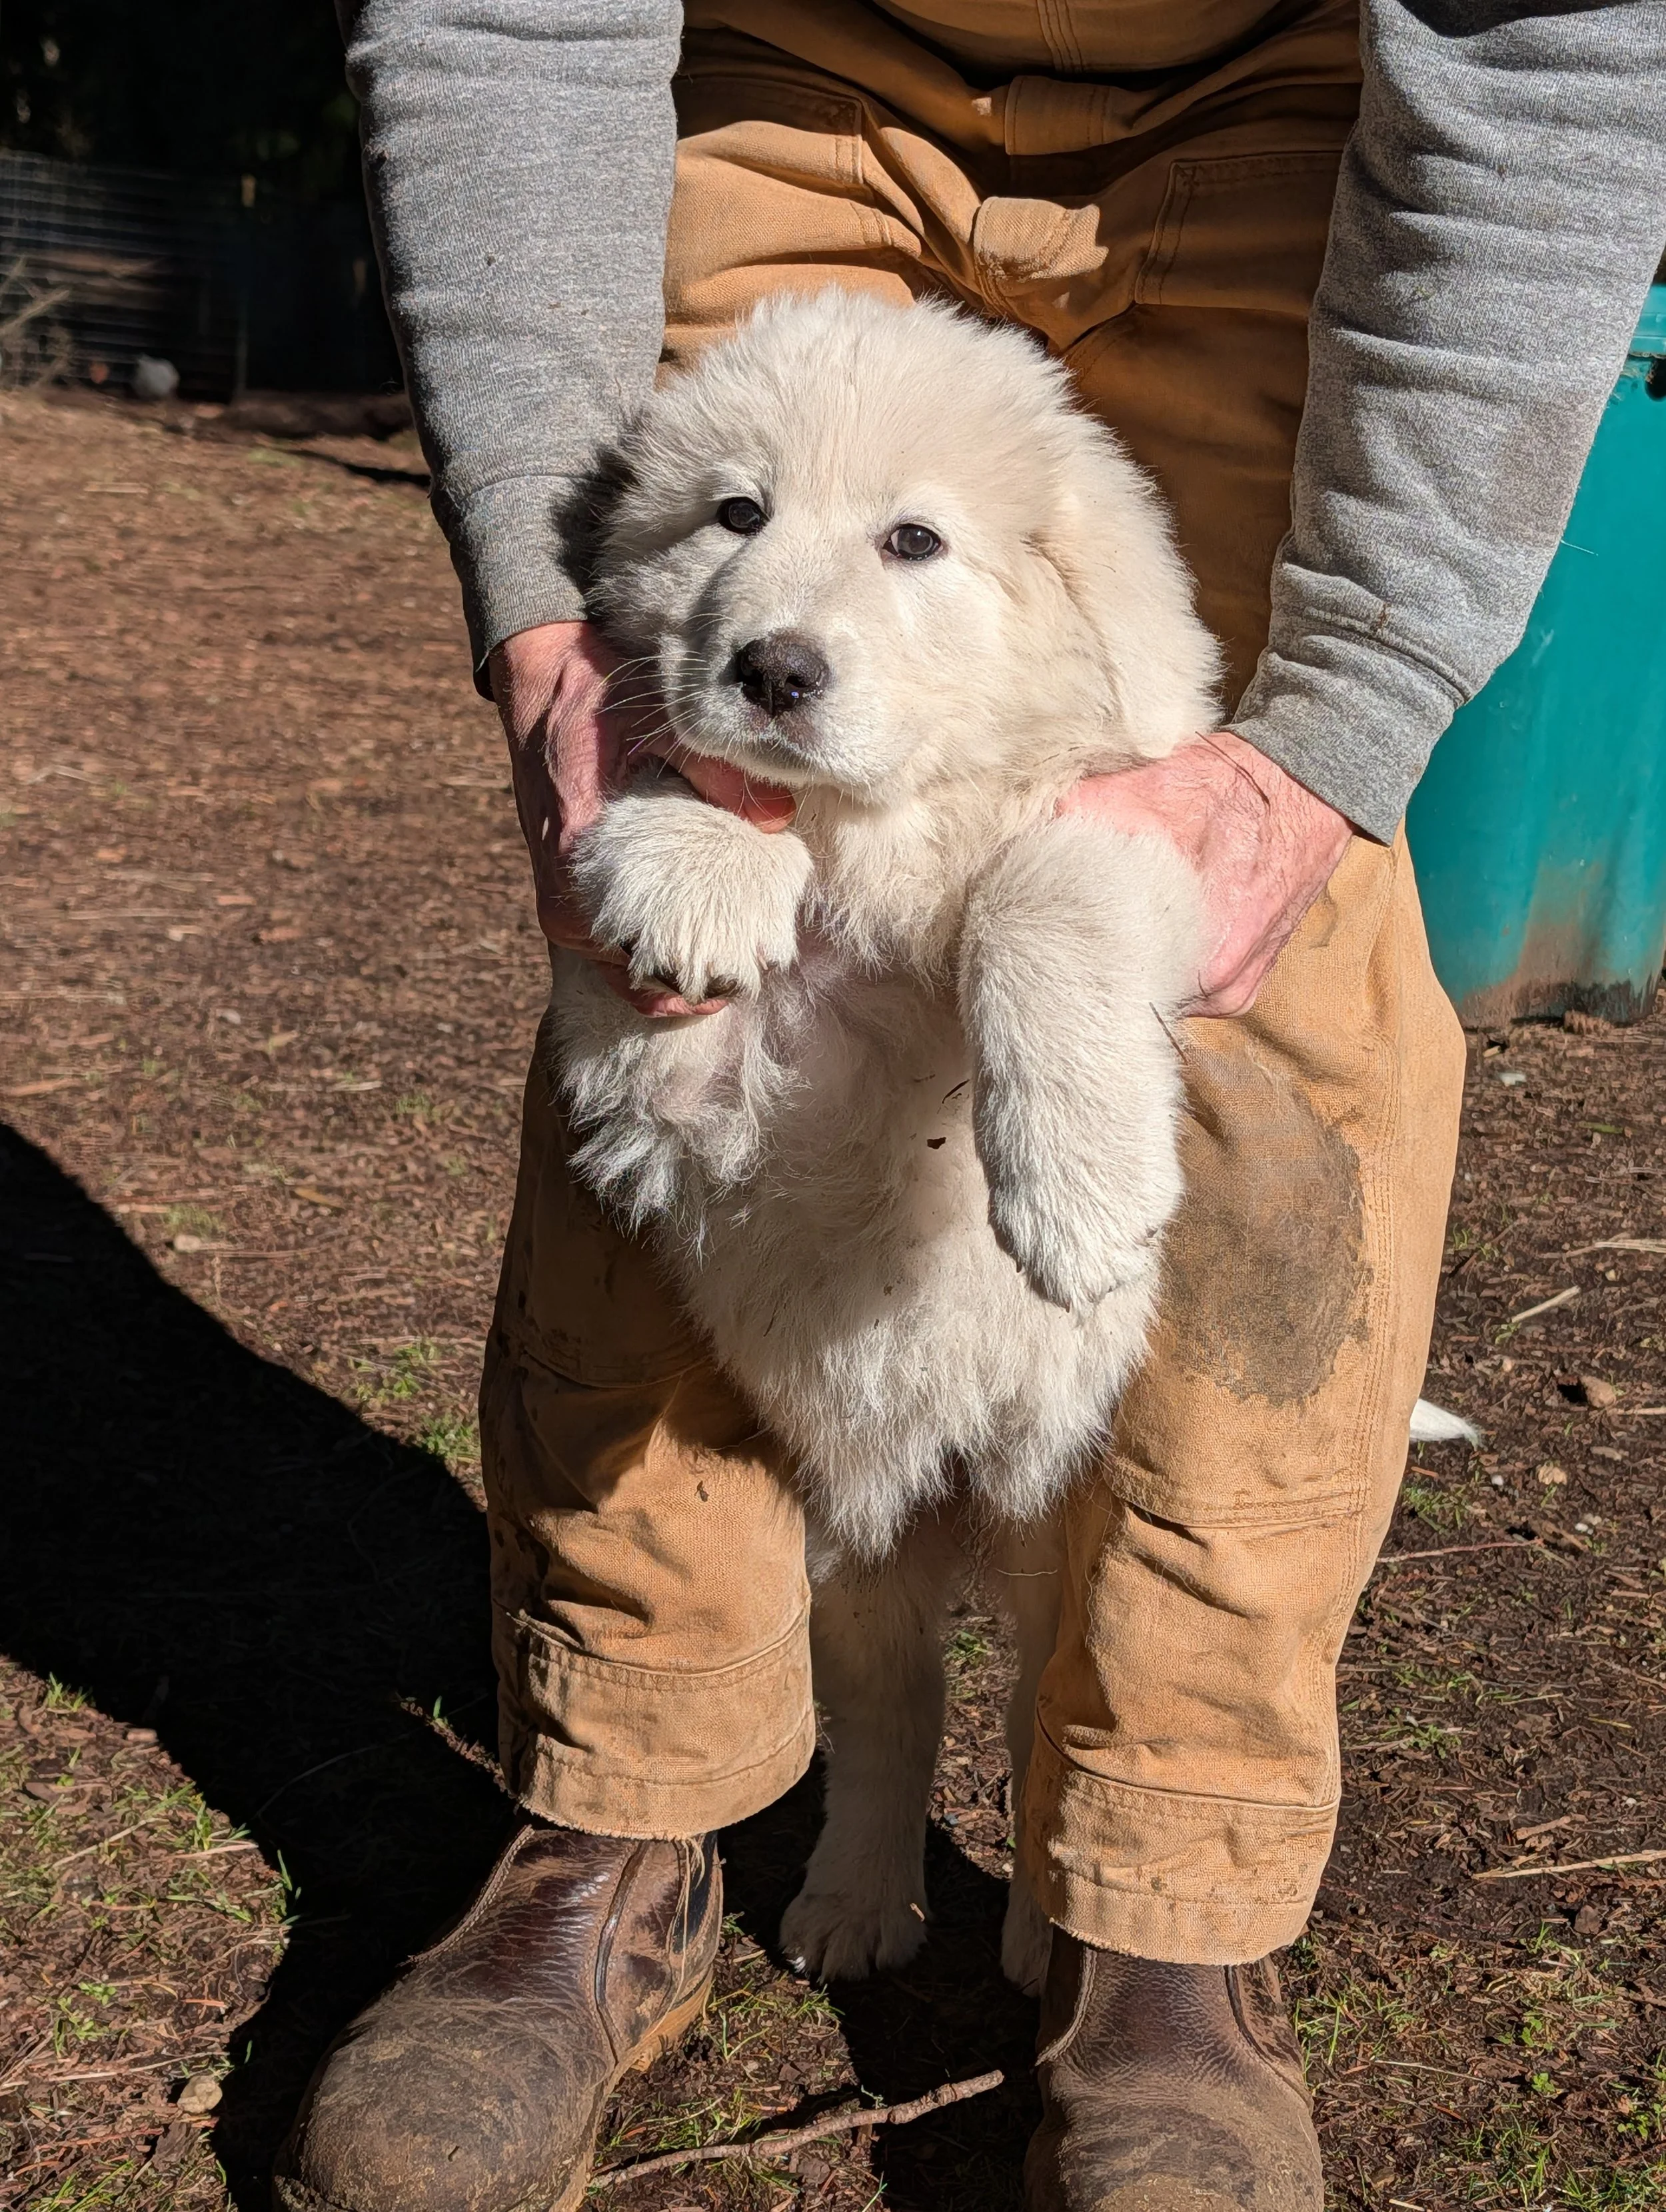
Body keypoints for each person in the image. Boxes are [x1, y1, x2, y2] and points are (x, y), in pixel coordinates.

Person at [279, 6, 1665, 2209]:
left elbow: (1561, 63)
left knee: (1277, 969)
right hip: (773, 51)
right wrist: (552, 639)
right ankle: (618, 1815)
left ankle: (1168, 1912)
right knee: (661, 884)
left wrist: (1335, 730)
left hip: (1332, 85)